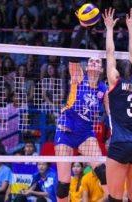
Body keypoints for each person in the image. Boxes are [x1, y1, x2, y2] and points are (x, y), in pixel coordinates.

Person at [54, 11, 107, 202]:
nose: (93, 61)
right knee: (63, 184)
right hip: (66, 129)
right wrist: (83, 28)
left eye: (97, 61)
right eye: (91, 60)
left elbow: (110, 113)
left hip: (85, 133)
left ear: (100, 69)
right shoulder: (78, 78)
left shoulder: (104, 89)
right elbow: (72, 54)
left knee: (103, 172)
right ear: (87, 66)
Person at [104, 8, 132, 202]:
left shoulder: (115, 82)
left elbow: (109, 52)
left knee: (115, 197)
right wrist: (131, 29)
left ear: (117, 73)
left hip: (120, 144)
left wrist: (110, 28)